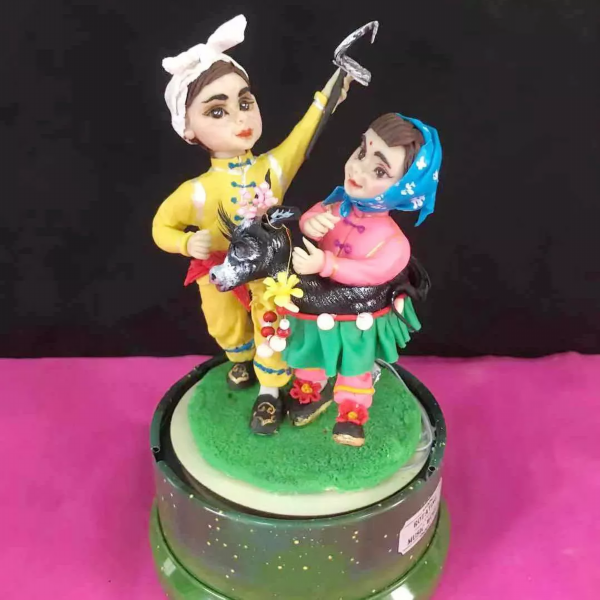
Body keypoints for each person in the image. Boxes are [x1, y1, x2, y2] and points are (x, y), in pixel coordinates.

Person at [152, 15, 351, 433]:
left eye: (244, 103)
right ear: (188, 129)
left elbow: (303, 135)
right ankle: (240, 359)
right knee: (223, 323)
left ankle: (270, 392)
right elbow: (161, 227)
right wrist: (186, 245)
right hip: (220, 269)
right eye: (217, 111)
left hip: (269, 271)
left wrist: (329, 94)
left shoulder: (272, 168)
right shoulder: (196, 192)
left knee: (273, 323)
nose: (239, 119)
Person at [288, 112, 442, 446]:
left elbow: (372, 273)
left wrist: (327, 263)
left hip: (357, 317)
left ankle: (351, 412)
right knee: (311, 349)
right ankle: (310, 389)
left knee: (355, 362)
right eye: (362, 152)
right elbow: (313, 214)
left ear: (404, 188)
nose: (358, 169)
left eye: (380, 171)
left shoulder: (394, 243)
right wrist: (309, 223)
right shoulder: (336, 205)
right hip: (315, 305)